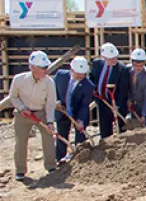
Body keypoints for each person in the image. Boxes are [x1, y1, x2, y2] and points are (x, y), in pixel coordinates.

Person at [11, 51, 58, 180]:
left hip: (41, 113)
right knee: (21, 141)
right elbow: (13, 97)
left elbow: (50, 103)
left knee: (48, 137)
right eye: (43, 68)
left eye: (46, 67)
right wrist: (21, 109)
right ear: (33, 68)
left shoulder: (49, 83)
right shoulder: (19, 80)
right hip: (23, 114)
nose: (46, 71)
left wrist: (49, 122)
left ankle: (51, 166)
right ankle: (20, 170)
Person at [53, 56, 94, 163]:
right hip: (61, 110)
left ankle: (78, 157)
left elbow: (84, 105)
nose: (81, 76)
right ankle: (59, 159)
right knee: (62, 134)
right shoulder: (60, 76)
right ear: (71, 70)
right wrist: (56, 101)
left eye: (83, 74)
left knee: (80, 136)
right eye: (78, 73)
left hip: (78, 111)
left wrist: (80, 120)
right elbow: (53, 89)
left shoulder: (88, 86)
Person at [90, 42, 129, 138]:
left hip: (116, 102)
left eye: (115, 57)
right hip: (102, 101)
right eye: (111, 59)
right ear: (104, 57)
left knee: (121, 126)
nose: (114, 60)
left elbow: (123, 90)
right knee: (105, 127)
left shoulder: (122, 69)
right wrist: (94, 91)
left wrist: (117, 105)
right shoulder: (96, 64)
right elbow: (91, 78)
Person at [127, 48, 146, 127]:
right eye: (136, 65)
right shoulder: (129, 71)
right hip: (135, 103)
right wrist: (129, 99)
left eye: (140, 66)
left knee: (145, 123)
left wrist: (144, 115)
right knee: (135, 123)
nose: (138, 68)